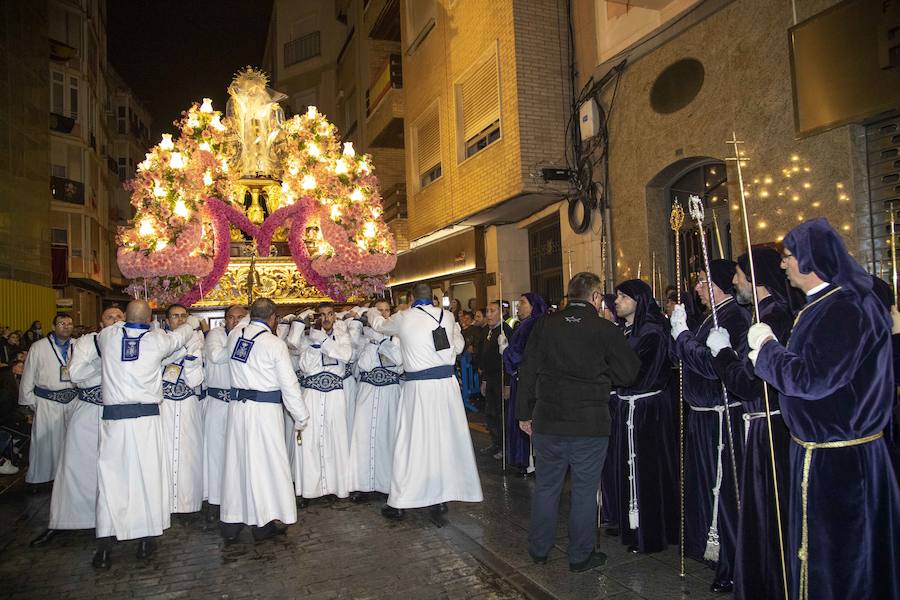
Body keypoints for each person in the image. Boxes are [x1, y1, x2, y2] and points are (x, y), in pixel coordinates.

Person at [750, 218, 900, 600]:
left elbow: (812, 379)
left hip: (843, 464)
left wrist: (767, 350)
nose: (782, 265)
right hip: (823, 456)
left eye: (787, 257)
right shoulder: (825, 304)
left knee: (843, 566)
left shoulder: (846, 307)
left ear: (810, 259)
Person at [517, 272, 641, 572]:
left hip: (549, 420)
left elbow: (528, 369)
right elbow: (628, 373)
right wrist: (600, 375)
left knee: (547, 487)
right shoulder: (605, 329)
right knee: (585, 491)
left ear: (570, 295)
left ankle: (538, 550)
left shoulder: (545, 324)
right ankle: (580, 556)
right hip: (589, 423)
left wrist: (523, 413)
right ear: (596, 297)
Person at [705, 248, 793, 600]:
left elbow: (747, 383)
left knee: (768, 513)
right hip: (760, 424)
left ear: (755, 277)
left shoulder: (769, 318)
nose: (735, 280)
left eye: (739, 273)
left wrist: (723, 354)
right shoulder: (766, 312)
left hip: (768, 428)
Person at [92, 300, 196, 569]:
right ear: (151, 320)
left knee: (111, 480)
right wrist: (192, 323)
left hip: (114, 422)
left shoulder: (107, 337)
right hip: (146, 422)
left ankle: (104, 546)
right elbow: (180, 336)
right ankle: (146, 539)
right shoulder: (157, 341)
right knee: (148, 478)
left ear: (124, 317)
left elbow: (118, 328)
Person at [366, 282, 483, 520]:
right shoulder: (448, 317)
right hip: (446, 388)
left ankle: (399, 501)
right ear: (434, 297)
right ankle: (439, 498)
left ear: (411, 298)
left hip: (418, 388)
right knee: (443, 441)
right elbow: (458, 347)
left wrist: (372, 312)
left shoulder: (403, 317)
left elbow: (379, 326)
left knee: (410, 442)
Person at [670, 259, 751, 593]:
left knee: (725, 493)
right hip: (701, 416)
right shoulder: (708, 318)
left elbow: (712, 365)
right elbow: (685, 360)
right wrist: (681, 337)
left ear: (718, 284)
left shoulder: (733, 317)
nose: (698, 288)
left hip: (722, 417)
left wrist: (683, 337)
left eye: (703, 282)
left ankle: (732, 563)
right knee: (705, 487)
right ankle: (711, 548)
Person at [30, 307, 125, 548]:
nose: (115, 321)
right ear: (101, 322)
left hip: (118, 413)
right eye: (109, 318)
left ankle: (116, 519)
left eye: (119, 317)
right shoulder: (88, 341)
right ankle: (66, 520)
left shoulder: (132, 342)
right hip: (89, 409)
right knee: (74, 466)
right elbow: (75, 373)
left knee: (117, 468)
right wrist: (102, 364)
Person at [220, 298, 310, 543]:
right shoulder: (273, 343)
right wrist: (301, 417)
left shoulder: (235, 335)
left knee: (238, 463)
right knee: (267, 465)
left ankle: (233, 520)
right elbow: (289, 384)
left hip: (238, 410)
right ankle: (264, 520)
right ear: (273, 318)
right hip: (264, 413)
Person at [602, 280, 677, 554]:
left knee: (646, 472)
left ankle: (651, 532)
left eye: (623, 296)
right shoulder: (625, 331)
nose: (617, 301)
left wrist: (607, 372)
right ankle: (632, 528)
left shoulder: (653, 332)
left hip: (646, 411)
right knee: (627, 469)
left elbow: (638, 374)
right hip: (627, 407)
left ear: (638, 300)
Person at [294, 302, 353, 505]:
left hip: (336, 394)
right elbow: (305, 367)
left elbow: (346, 355)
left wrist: (325, 343)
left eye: (330, 314)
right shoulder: (307, 339)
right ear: (316, 318)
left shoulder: (343, 336)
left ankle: (335, 487)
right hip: (312, 394)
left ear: (335, 316)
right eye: (322, 315)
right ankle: (309, 490)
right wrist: (316, 344)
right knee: (310, 441)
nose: (326, 318)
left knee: (335, 439)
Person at [348, 299, 403, 501]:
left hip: (391, 392)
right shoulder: (361, 337)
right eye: (379, 311)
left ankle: (389, 484)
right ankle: (364, 485)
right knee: (364, 437)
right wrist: (373, 343)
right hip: (367, 392)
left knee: (389, 437)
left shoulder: (398, 336)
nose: (384, 314)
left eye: (387, 311)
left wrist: (381, 342)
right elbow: (363, 365)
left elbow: (399, 363)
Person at [19, 313, 77, 487]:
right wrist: (30, 401)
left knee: (72, 441)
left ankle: (68, 478)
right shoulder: (39, 347)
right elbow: (28, 373)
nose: (66, 326)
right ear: (53, 327)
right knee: (45, 441)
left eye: (69, 323)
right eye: (61, 323)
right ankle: (41, 478)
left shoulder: (78, 345)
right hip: (47, 400)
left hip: (73, 400)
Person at [159, 304, 206, 518]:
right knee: (164, 453)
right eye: (175, 316)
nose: (179, 320)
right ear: (167, 320)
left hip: (188, 404)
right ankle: (164, 503)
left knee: (189, 453)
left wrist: (191, 362)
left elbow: (196, 379)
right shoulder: (158, 340)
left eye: (183, 316)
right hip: (164, 405)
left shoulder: (197, 340)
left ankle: (188, 503)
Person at [201, 304, 247, 523]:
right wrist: (239, 338)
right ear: (224, 320)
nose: (235, 322)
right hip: (218, 402)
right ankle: (216, 500)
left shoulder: (247, 337)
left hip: (239, 403)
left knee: (239, 451)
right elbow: (217, 356)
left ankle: (238, 498)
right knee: (216, 453)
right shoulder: (215, 335)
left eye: (240, 318)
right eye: (231, 317)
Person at [502, 293, 547, 476]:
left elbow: (521, 354)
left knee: (526, 417)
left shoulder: (531, 325)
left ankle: (530, 461)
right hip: (522, 378)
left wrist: (506, 352)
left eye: (522, 303)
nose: (518, 306)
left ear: (533, 305)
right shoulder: (526, 324)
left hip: (526, 379)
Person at [478, 301, 513, 459]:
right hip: (490, 377)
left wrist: (507, 384)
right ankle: (496, 442)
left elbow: (508, 360)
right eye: (487, 310)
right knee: (490, 413)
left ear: (500, 313)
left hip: (501, 377)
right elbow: (485, 357)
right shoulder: (487, 330)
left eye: (492, 311)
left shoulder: (505, 330)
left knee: (501, 414)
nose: (489, 314)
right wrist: (484, 380)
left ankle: (506, 446)